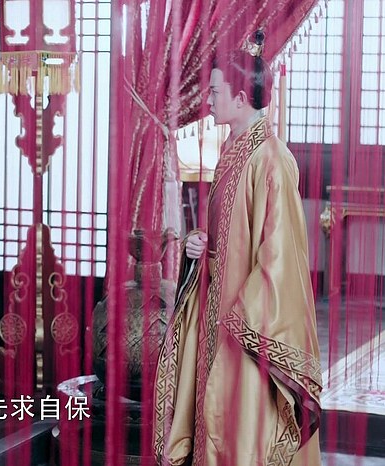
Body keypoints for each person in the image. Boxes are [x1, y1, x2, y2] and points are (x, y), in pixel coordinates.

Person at [154, 31, 322, 465]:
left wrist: (242, 319)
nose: (208, 101)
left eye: (215, 92)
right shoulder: (233, 150)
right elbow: (230, 234)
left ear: (242, 97)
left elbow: (280, 256)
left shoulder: (272, 159)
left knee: (243, 429)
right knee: (215, 418)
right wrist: (200, 244)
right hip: (217, 308)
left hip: (246, 324)